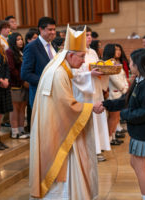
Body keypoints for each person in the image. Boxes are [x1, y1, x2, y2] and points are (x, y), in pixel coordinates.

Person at [29, 25, 102, 200]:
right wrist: (91, 107)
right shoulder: (58, 73)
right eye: (82, 57)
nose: (84, 62)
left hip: (52, 126)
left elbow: (71, 84)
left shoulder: (58, 67)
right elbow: (67, 106)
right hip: (57, 130)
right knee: (63, 166)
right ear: (70, 55)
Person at [100, 48, 145, 200]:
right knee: (135, 163)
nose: (130, 65)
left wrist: (125, 114)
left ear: (139, 65)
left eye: (132, 62)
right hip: (139, 131)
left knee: (140, 168)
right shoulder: (138, 81)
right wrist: (106, 104)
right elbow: (125, 100)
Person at [71, 26, 110, 162]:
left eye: (90, 35)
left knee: (98, 119)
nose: (89, 37)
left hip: (96, 89)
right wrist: (90, 74)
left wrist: (105, 71)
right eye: (86, 35)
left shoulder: (92, 52)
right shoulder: (73, 52)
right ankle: (88, 150)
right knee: (88, 121)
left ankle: (98, 149)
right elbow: (73, 75)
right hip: (83, 93)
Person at [21, 17, 57, 109]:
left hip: (56, 94)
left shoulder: (54, 45)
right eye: (50, 29)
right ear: (41, 29)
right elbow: (25, 74)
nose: (53, 32)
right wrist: (46, 81)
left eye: (54, 29)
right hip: (40, 95)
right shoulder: (32, 47)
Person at [102, 44, 129, 145]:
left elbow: (123, 77)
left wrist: (125, 87)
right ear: (110, 51)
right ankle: (110, 139)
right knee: (113, 118)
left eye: (119, 49)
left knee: (116, 118)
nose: (118, 51)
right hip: (114, 93)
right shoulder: (108, 63)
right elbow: (114, 79)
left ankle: (113, 136)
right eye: (116, 50)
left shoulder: (115, 62)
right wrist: (123, 88)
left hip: (119, 92)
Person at [6, 32, 29, 139]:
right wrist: (22, 80)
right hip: (15, 84)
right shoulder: (9, 52)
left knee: (22, 108)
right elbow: (11, 69)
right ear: (13, 41)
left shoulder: (23, 51)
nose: (20, 41)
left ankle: (21, 130)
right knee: (15, 109)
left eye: (21, 39)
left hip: (24, 84)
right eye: (18, 39)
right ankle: (15, 131)